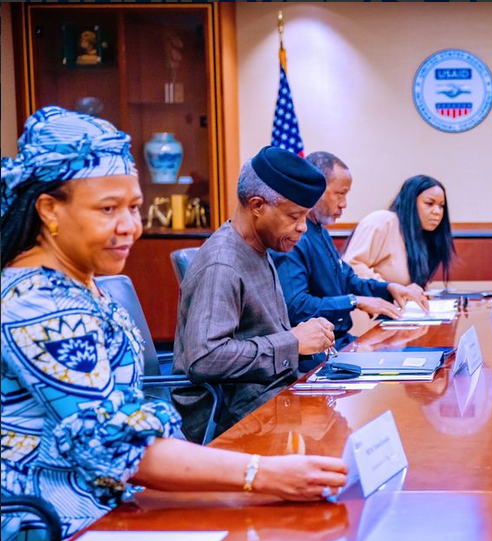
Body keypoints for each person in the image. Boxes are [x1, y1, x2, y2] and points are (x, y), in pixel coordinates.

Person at [0, 107, 347, 541]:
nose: (130, 226)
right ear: (49, 209)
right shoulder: (40, 303)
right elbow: (118, 447)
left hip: (116, 494)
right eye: (107, 209)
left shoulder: (79, 281)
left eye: (133, 207)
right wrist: (262, 474)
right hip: (60, 528)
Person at [173, 147, 338, 441]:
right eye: (294, 216)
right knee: (335, 439)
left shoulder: (259, 246)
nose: (302, 228)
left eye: (305, 217)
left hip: (267, 394)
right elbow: (205, 358)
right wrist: (293, 342)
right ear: (258, 205)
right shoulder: (223, 263)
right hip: (229, 412)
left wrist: (297, 341)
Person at [273, 151, 427, 370]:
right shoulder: (295, 237)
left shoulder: (320, 231)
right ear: (315, 188)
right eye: (340, 193)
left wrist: (389, 288)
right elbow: (296, 306)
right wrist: (355, 301)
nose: (344, 204)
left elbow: (349, 280)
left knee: (416, 360)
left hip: (341, 345)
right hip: (313, 358)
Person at [344, 174, 455, 287]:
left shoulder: (423, 235)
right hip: (367, 302)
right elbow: (352, 266)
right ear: (410, 202)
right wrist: (388, 289)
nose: (437, 211)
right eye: (429, 203)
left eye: (441, 206)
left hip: (397, 304)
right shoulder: (382, 221)